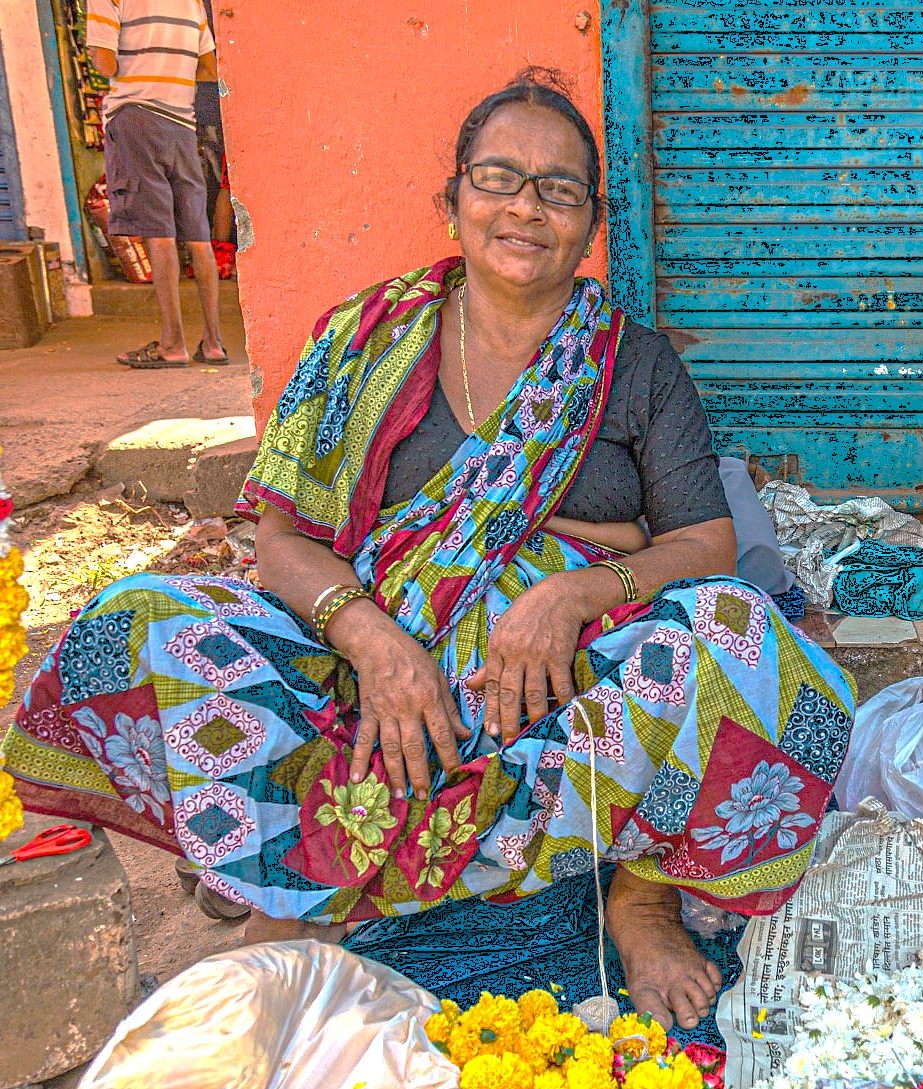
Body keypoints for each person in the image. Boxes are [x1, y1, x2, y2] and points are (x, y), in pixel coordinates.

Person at [0, 69, 855, 1031]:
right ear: (450, 201)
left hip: (560, 691)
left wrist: (575, 592)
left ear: (592, 220)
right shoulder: (363, 340)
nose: (527, 207)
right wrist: (374, 641)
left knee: (741, 638)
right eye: (499, 178)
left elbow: (704, 538)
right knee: (141, 621)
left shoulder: (635, 363)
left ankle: (638, 898)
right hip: (364, 673)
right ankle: (291, 879)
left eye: (560, 188)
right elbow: (281, 540)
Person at [85, 0, 229, 368]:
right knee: (198, 236)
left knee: (158, 232)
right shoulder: (192, 3)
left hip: (135, 117)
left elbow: (105, 62)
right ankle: (213, 344)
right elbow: (209, 68)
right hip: (182, 124)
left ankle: (172, 344)